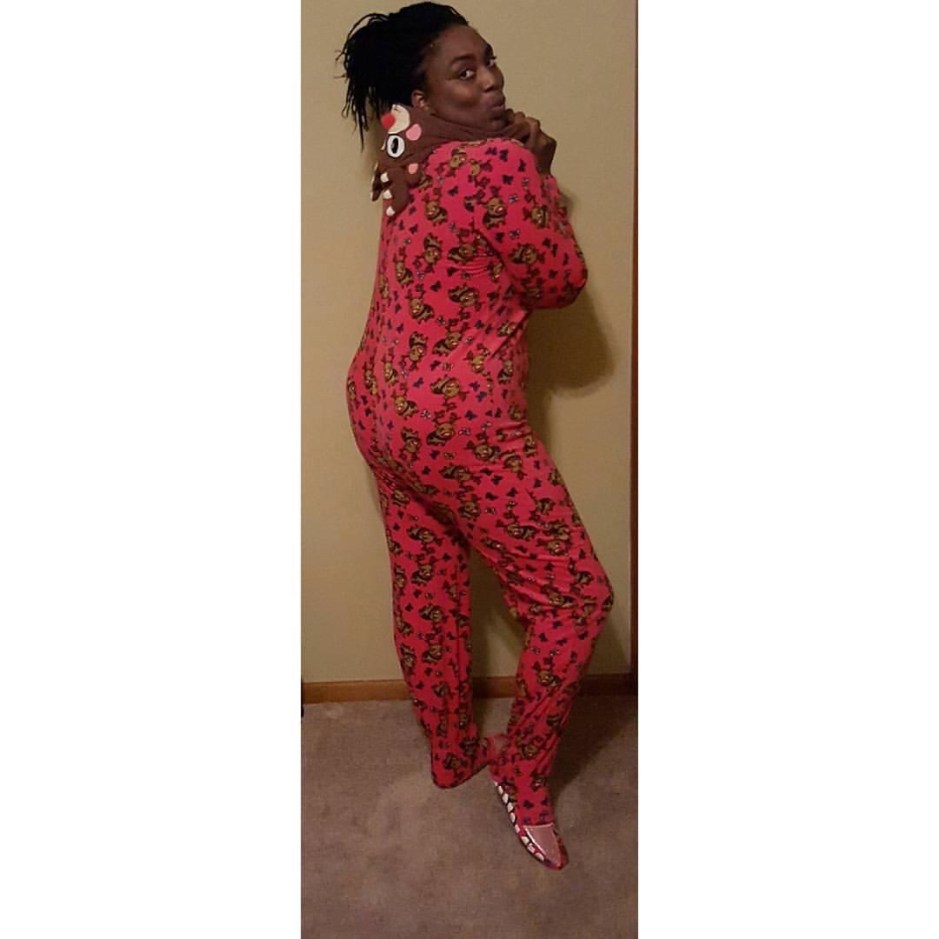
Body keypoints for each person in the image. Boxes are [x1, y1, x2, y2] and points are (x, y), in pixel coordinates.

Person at [339, 2, 613, 871]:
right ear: (421, 95)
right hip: (461, 422)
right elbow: (559, 281)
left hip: (380, 402)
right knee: (573, 598)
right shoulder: (497, 161)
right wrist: (538, 171)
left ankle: (453, 751)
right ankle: (522, 776)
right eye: (464, 71)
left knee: (427, 578)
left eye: (488, 61)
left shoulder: (405, 156)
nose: (490, 80)